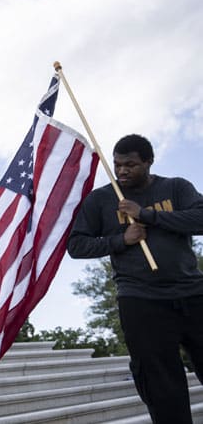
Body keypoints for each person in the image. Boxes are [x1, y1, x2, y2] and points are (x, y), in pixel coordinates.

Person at [68, 134, 203, 423]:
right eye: (117, 165)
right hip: (141, 300)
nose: (122, 171)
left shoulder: (176, 187)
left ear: (148, 162)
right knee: (161, 387)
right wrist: (121, 240)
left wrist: (147, 215)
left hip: (193, 293)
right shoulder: (102, 199)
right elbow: (76, 246)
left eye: (130, 165)